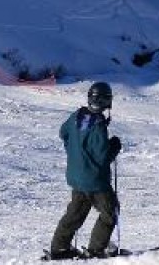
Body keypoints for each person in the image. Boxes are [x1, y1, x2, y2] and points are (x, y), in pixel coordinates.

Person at [48, 82, 122, 260]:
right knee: (110, 212)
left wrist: (74, 152)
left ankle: (59, 248)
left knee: (75, 213)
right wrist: (114, 147)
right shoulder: (98, 125)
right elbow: (103, 156)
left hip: (77, 177)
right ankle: (96, 249)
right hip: (95, 180)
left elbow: (63, 132)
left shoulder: (76, 116)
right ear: (106, 101)